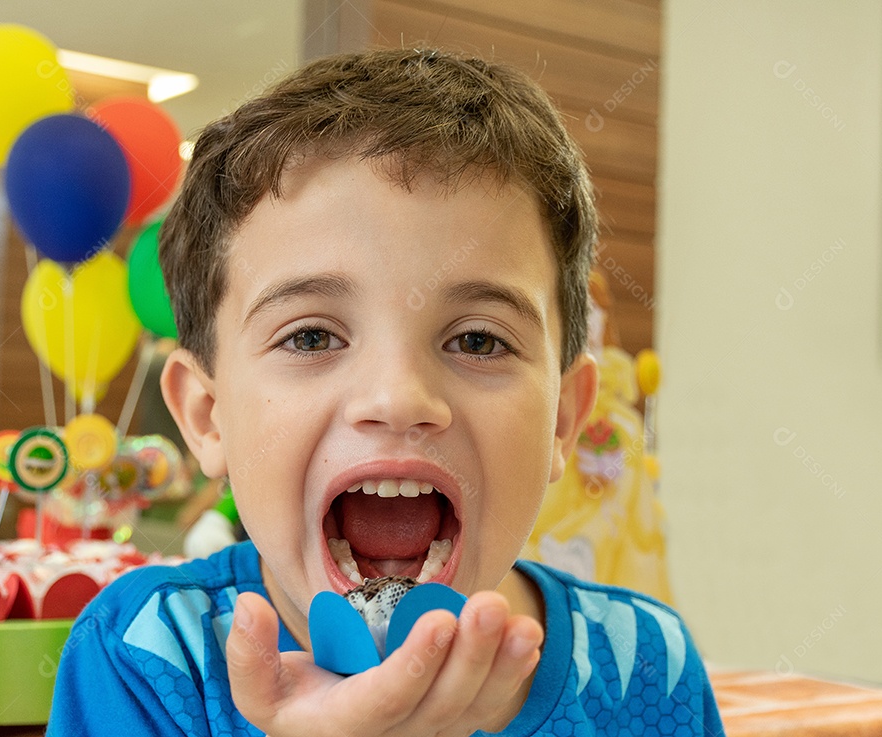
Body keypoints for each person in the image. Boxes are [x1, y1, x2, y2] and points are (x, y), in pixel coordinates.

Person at [48, 48, 725, 736]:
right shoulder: (148, 656)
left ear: (562, 417)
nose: (399, 397)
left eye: (478, 340)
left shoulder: (646, 666)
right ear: (206, 415)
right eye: (311, 337)